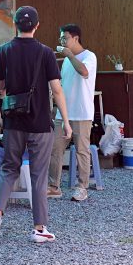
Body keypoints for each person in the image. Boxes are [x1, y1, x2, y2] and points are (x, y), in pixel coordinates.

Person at [0, 6, 71, 244]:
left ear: (15, 25)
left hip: (13, 121)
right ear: (37, 25)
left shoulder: (3, 51)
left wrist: (5, 92)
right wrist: (65, 120)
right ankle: (39, 228)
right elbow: (56, 89)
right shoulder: (45, 53)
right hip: (40, 123)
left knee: (8, 168)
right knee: (38, 175)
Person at [47, 23, 97, 202]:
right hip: (63, 114)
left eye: (64, 38)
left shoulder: (89, 56)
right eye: (61, 38)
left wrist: (69, 55)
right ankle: (54, 186)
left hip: (82, 114)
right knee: (55, 149)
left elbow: (84, 72)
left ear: (75, 38)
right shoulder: (66, 61)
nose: (61, 41)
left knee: (82, 151)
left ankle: (82, 187)